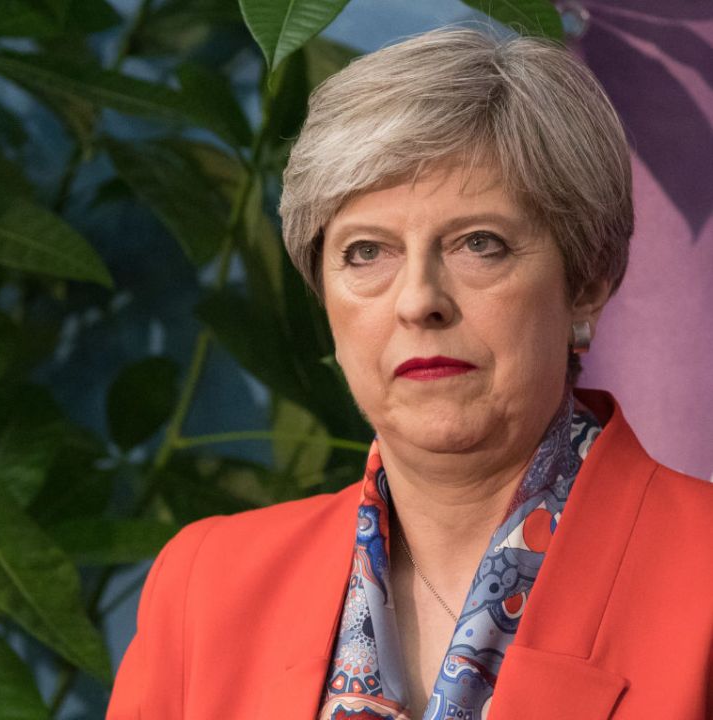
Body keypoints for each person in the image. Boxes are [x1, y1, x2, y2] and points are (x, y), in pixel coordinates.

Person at [107, 27, 713, 720]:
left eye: (479, 244)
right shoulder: (206, 585)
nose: (418, 300)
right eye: (366, 252)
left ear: (586, 283)